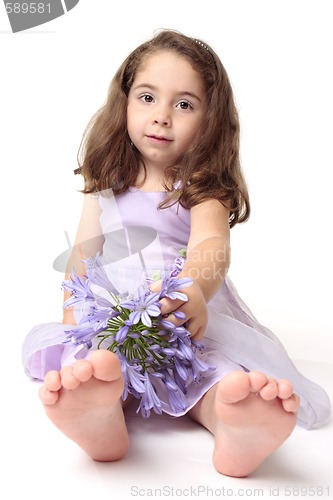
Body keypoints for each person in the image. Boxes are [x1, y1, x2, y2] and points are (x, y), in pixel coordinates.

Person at [22, 29, 331, 478]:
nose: (162, 116)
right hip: (110, 313)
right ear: (124, 102)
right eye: (148, 97)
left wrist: (193, 292)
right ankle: (100, 414)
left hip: (177, 312)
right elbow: (84, 252)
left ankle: (230, 420)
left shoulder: (202, 187)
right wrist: (72, 316)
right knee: (93, 360)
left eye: (184, 104)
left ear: (210, 121)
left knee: (208, 370)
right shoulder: (106, 177)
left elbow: (212, 247)